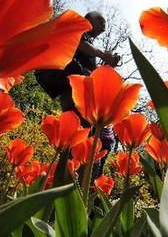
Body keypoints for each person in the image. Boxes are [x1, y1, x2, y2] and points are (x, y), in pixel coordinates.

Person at [35, 11, 120, 177]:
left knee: (83, 137)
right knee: (81, 138)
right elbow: (78, 44)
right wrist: (103, 54)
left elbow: (89, 73)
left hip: (75, 98)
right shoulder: (78, 30)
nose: (103, 29)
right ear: (89, 20)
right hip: (73, 97)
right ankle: (75, 179)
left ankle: (75, 176)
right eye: (101, 23)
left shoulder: (88, 47)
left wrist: (105, 66)